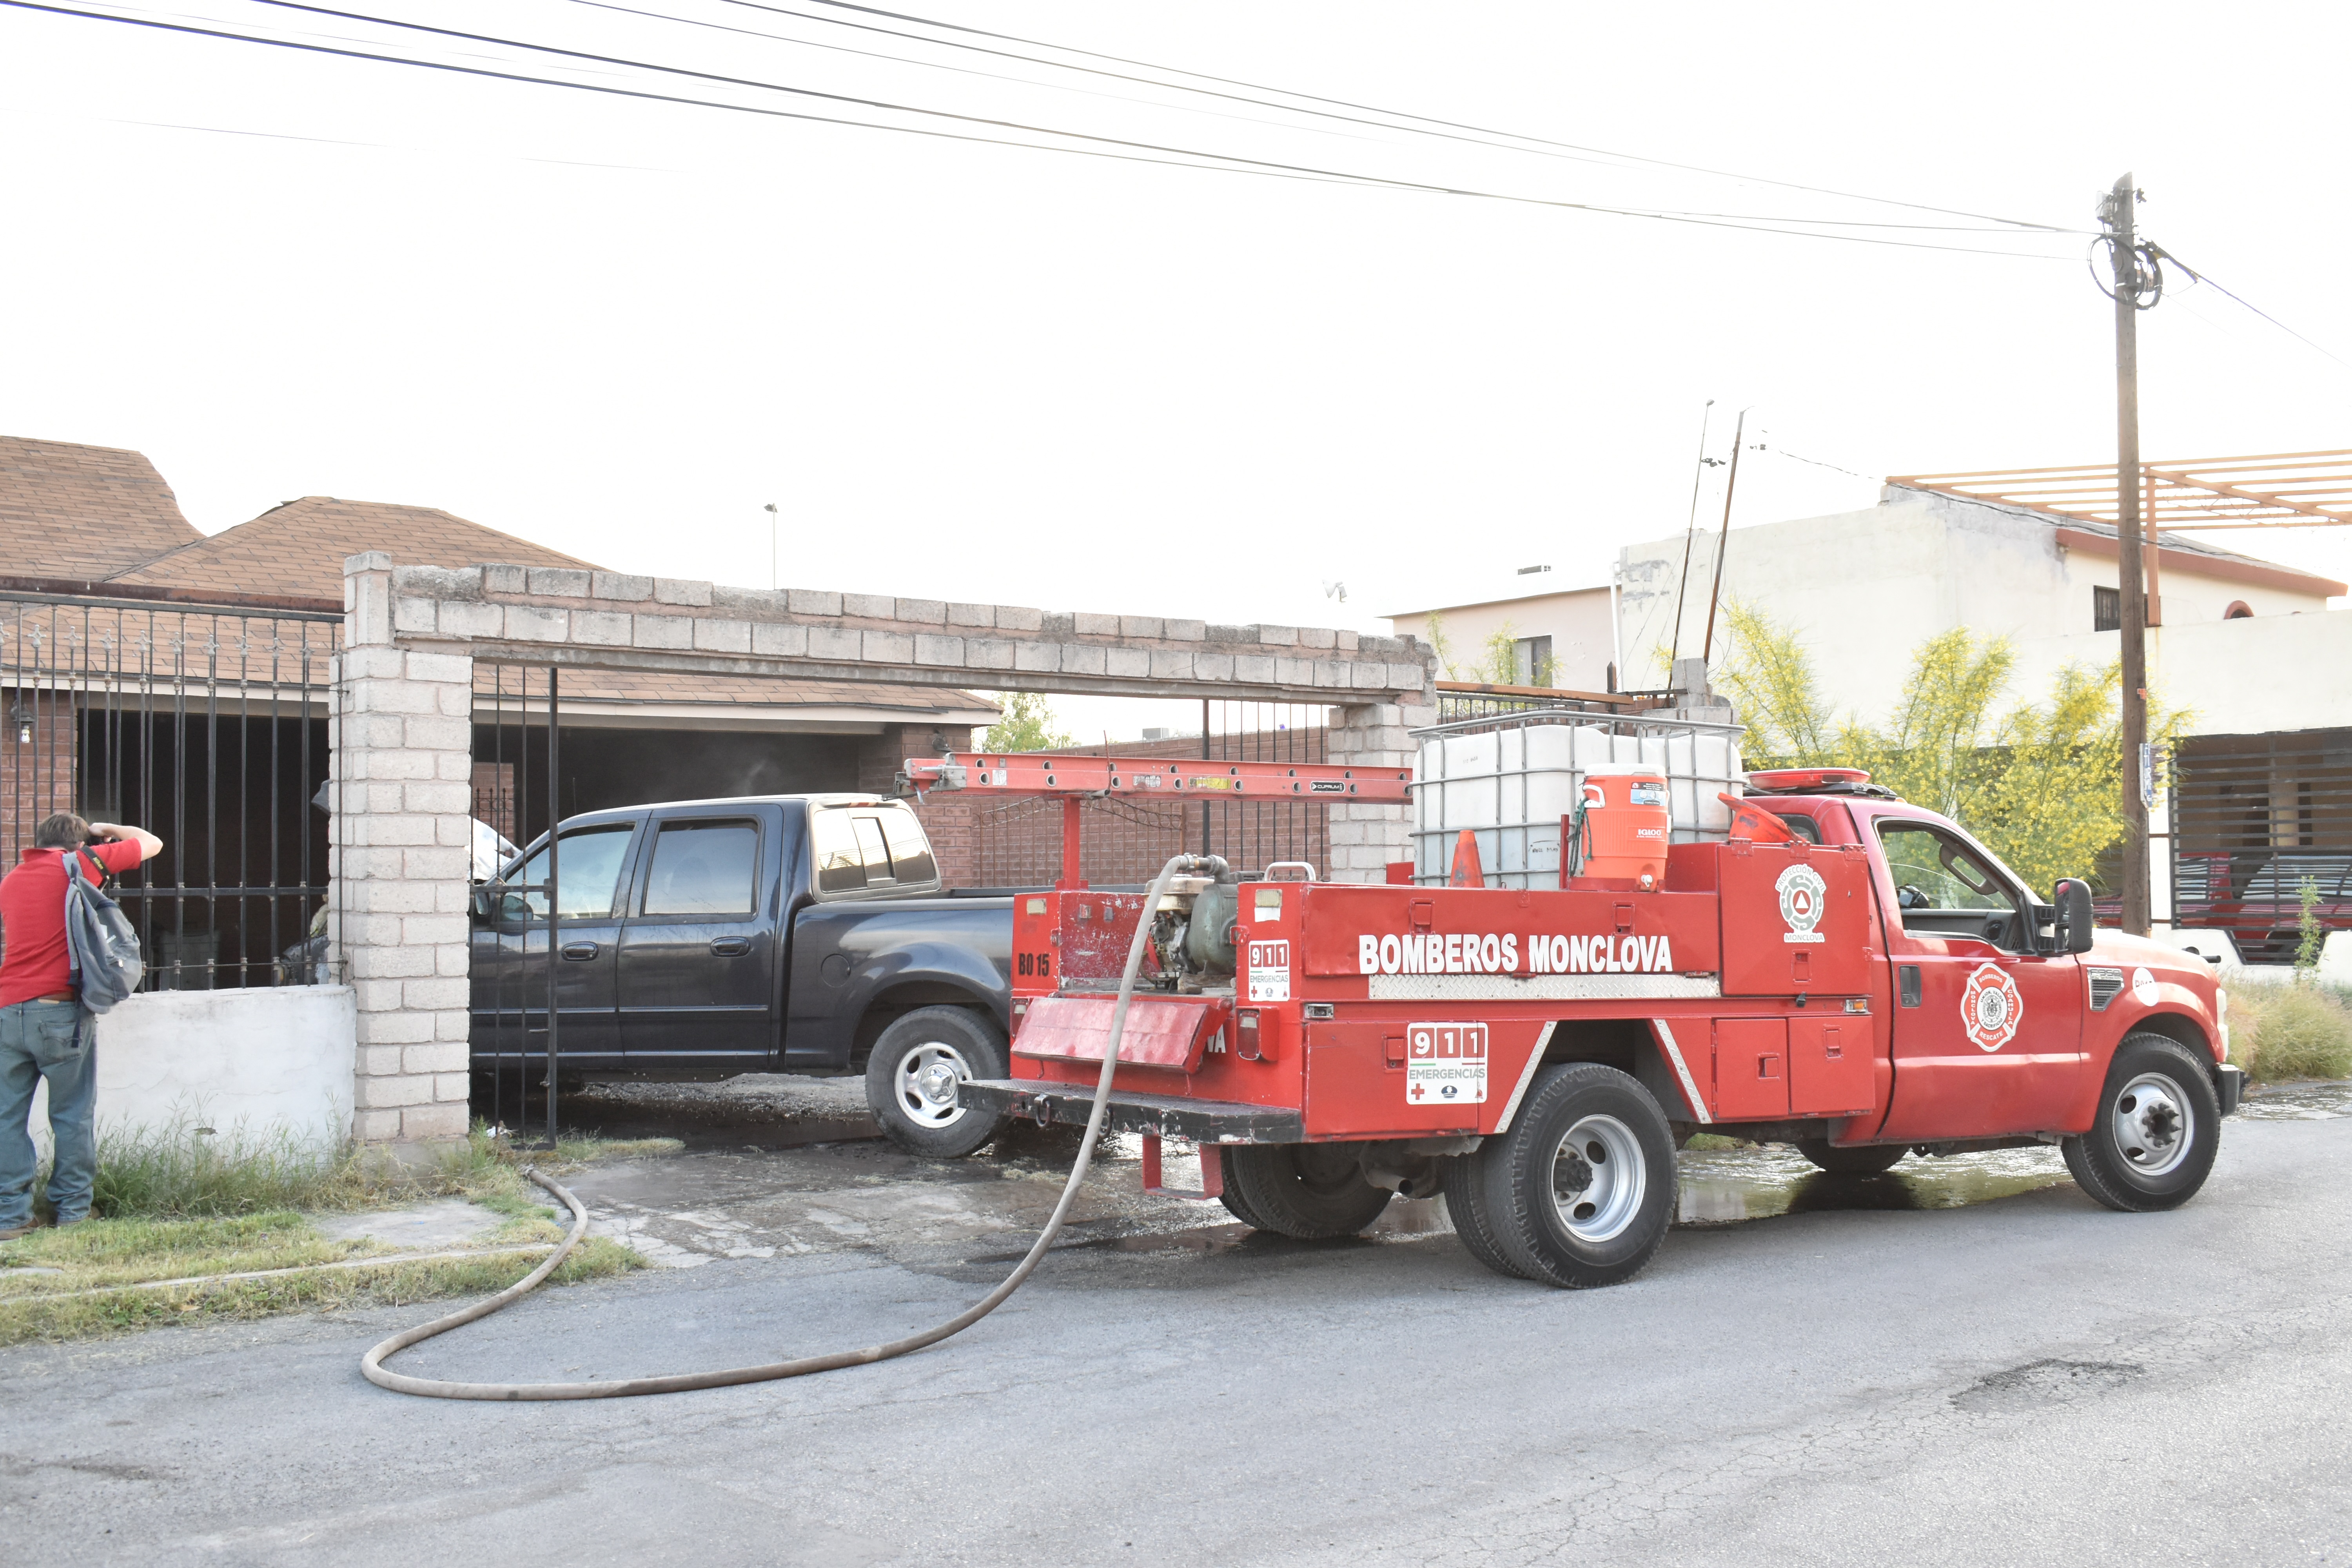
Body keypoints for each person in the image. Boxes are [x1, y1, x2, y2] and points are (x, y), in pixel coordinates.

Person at [0, 813, 163, 1239]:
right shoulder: (79, 864)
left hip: (8, 1010)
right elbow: (152, 843)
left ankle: (11, 1217)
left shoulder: (12, 880)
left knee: (6, 1117)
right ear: (78, 845)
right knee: (71, 1114)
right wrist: (106, 831)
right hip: (59, 1011)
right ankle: (72, 1210)